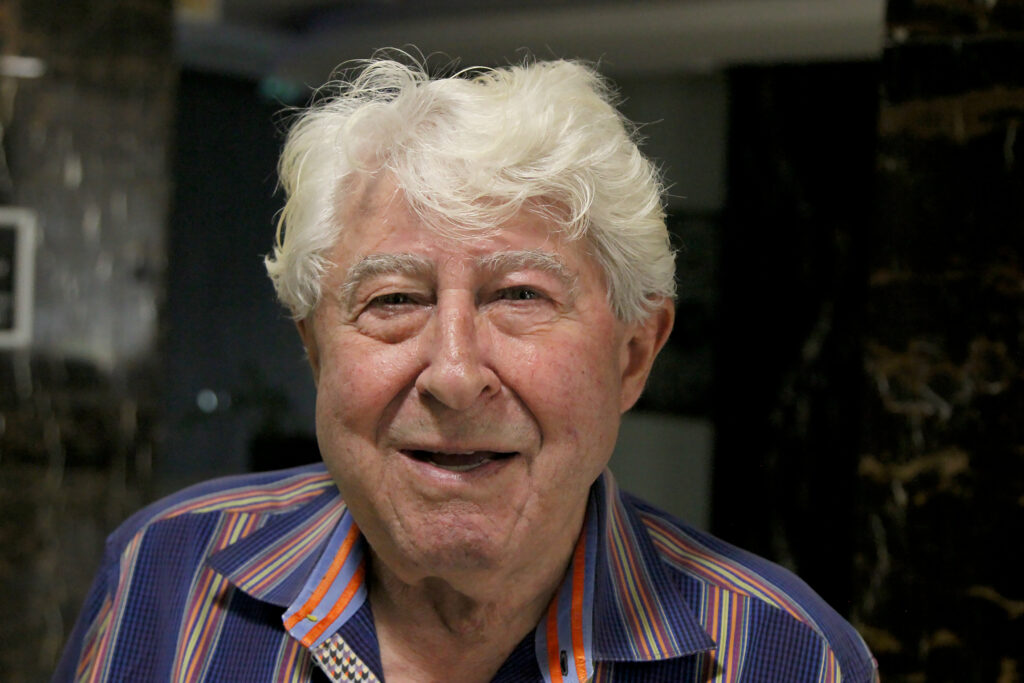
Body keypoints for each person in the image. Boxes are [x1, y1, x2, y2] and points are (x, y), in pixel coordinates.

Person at [53, 57, 877, 683]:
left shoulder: (788, 656)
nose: (452, 373)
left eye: (519, 295)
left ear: (633, 354)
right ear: (315, 347)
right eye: (393, 299)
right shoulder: (163, 576)